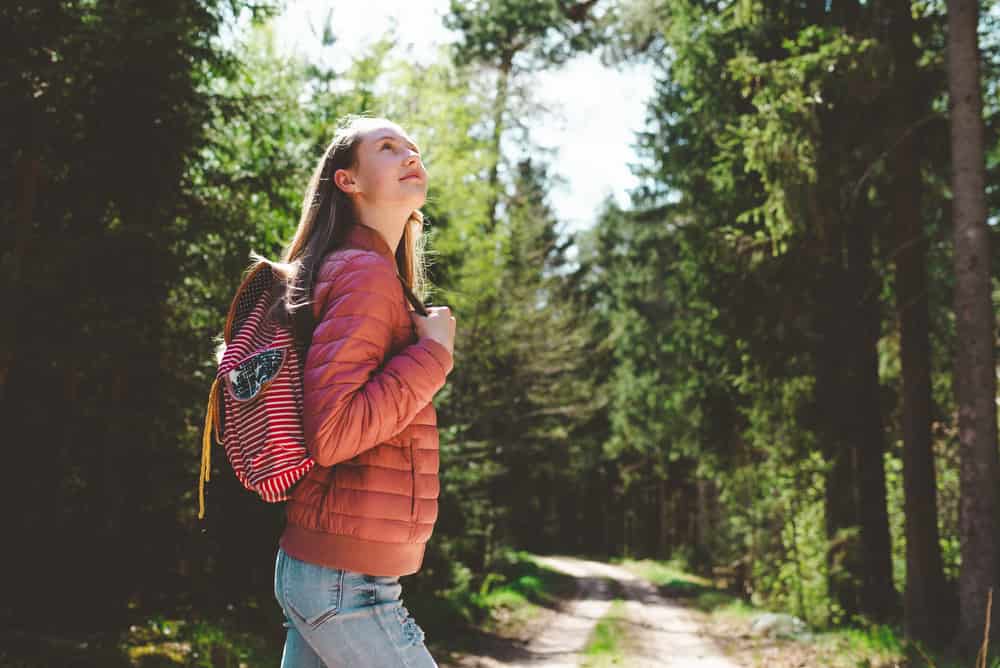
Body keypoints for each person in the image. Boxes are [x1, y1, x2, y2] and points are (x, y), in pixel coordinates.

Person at [270, 115, 455, 667]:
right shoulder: (363, 274)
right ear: (347, 180)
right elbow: (334, 433)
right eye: (388, 147)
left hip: (332, 571)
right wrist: (434, 356)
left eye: (413, 147)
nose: (409, 154)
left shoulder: (372, 273)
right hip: (344, 584)